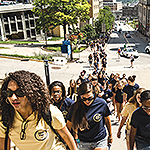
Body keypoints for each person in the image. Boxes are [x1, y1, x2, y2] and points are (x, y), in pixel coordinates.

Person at [0, 70, 77, 150]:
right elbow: (4, 145)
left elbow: (66, 136)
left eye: (19, 93)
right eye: (9, 93)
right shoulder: (5, 117)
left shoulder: (49, 112)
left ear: (31, 93)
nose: (13, 98)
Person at [67, 81, 113, 150]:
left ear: (94, 94)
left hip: (99, 140)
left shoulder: (101, 103)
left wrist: (110, 135)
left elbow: (107, 120)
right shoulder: (75, 107)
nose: (87, 101)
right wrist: (73, 141)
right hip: (83, 142)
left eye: (90, 98)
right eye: (84, 99)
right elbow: (69, 126)